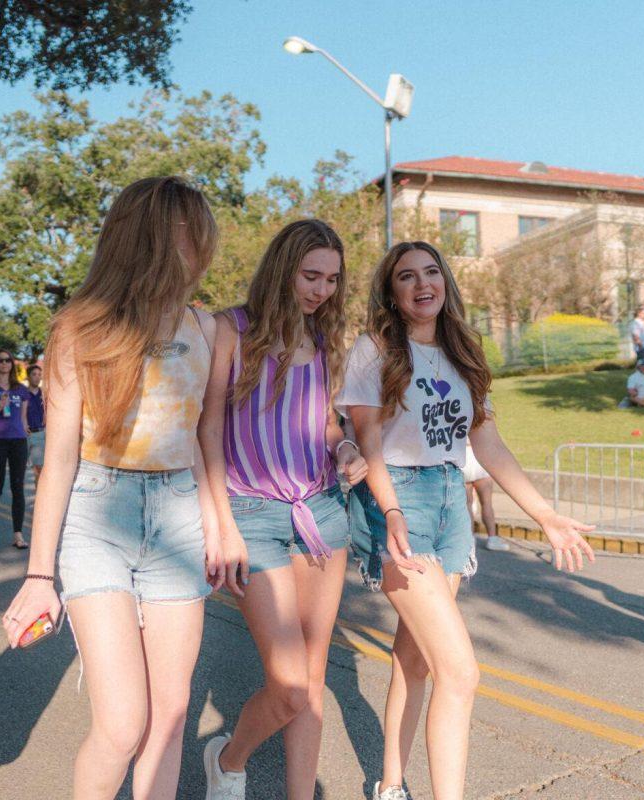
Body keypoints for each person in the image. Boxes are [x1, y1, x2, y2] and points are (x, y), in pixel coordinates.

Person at [338, 240, 594, 800]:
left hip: (451, 501)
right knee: (461, 672)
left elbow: (488, 441)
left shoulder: (463, 349)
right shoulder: (373, 348)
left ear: (446, 283)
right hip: (394, 501)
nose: (422, 283)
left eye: (432, 272)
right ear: (392, 293)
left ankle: (389, 786)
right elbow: (369, 441)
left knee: (416, 660)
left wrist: (545, 514)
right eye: (407, 276)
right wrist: (392, 510)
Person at [1, 177, 223, 800]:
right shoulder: (81, 328)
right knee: (124, 723)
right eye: (190, 231)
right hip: (98, 516)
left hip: (181, 515)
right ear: (151, 238)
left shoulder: (207, 329)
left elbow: (209, 437)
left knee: (170, 717)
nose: (201, 246)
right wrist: (39, 576)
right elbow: (60, 460)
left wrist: (221, 527)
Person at [197, 219, 369, 798]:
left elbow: (325, 423)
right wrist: (220, 523)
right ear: (282, 269)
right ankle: (228, 757)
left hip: (321, 513)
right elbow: (208, 429)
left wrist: (345, 445)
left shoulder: (323, 340)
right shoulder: (230, 329)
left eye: (331, 280)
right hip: (251, 515)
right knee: (290, 683)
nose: (321, 291)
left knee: (314, 678)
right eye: (310, 275)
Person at [0, 351, 32, 547]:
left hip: (18, 441)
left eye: (7, 360)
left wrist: (26, 429)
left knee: (17, 488)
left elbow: (23, 416)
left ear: (12, 364)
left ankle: (18, 534)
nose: (4, 363)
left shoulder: (20, 389)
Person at [463, 443, 508, 552]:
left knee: (467, 504)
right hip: (479, 459)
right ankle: (492, 538)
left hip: (464, 460)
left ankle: (470, 539)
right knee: (486, 503)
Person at [26, 364, 46, 486]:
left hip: (39, 434)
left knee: (38, 469)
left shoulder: (44, 394)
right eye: (34, 374)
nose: (37, 377)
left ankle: (39, 499)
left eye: (39, 375)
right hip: (23, 435)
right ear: (28, 377)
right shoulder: (22, 394)